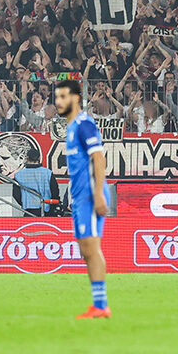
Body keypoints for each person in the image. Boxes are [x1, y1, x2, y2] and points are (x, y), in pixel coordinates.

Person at [55, 78, 112, 319]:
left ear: (76, 98)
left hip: (90, 194)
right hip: (79, 195)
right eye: (57, 97)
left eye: (64, 96)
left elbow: (98, 158)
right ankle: (98, 304)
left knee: (91, 247)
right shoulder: (70, 128)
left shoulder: (84, 123)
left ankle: (101, 305)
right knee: (85, 250)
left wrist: (98, 193)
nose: (59, 101)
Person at [12, 147, 61, 216]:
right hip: (46, 209)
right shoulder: (47, 173)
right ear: (39, 158)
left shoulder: (19, 175)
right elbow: (55, 191)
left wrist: (24, 202)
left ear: (27, 158)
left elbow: (16, 194)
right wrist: (53, 205)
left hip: (29, 210)